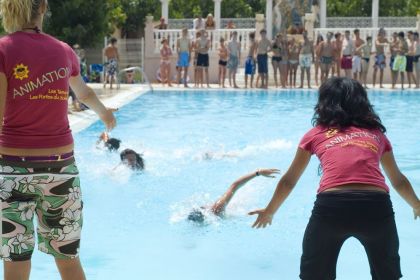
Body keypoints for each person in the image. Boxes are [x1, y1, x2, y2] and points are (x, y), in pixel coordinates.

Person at [250, 77, 420, 280]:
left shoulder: (315, 134)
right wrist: (417, 205)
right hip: (376, 208)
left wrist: (270, 211)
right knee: (387, 275)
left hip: (331, 208)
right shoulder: (377, 135)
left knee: (315, 275)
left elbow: (289, 181)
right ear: (362, 102)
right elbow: (398, 180)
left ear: (324, 103)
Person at [0, 0, 117, 279]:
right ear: (43, 6)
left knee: (16, 265)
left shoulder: (3, 49)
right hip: (61, 170)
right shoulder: (63, 50)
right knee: (68, 260)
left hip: (13, 169)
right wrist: (105, 115)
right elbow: (84, 93)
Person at [188, 169, 280, 223]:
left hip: (237, 205)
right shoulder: (216, 212)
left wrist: (258, 172)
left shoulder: (218, 208)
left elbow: (235, 185)